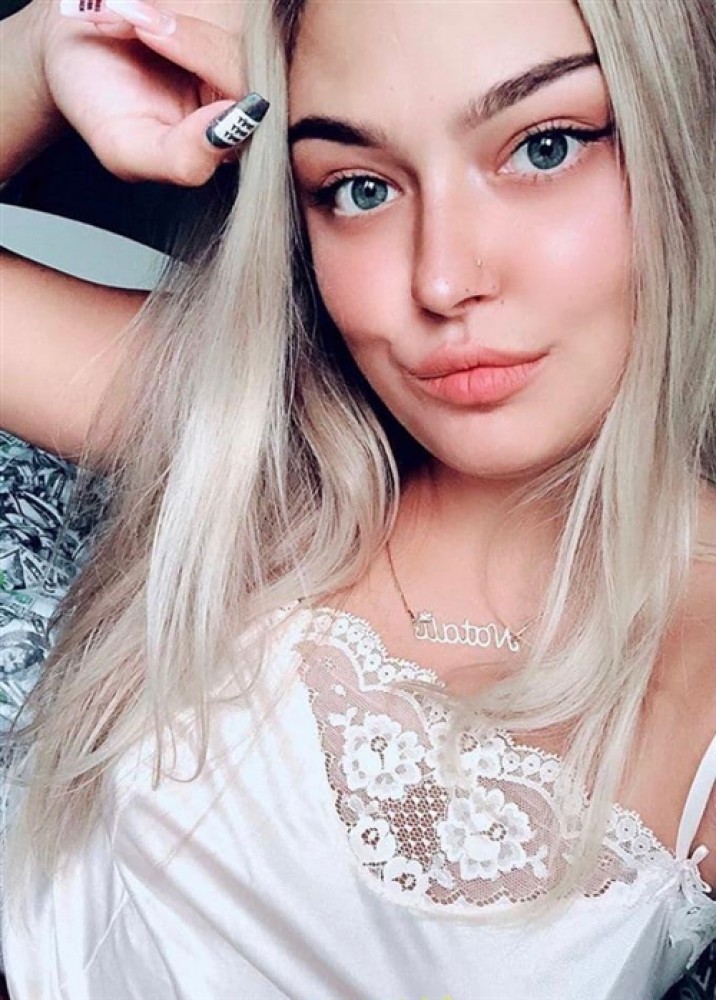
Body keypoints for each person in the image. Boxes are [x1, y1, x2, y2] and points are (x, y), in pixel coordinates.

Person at [1, 0, 715, 996]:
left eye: (543, 147)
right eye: (360, 187)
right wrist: (43, 50)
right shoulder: (267, 434)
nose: (442, 280)